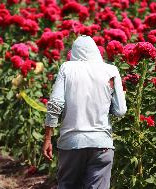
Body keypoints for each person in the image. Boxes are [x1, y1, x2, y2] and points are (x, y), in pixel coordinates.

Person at [43, 35, 127, 189]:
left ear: (74, 52)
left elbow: (55, 104)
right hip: (102, 144)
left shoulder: (67, 68)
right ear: (96, 51)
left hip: (71, 143)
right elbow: (121, 110)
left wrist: (48, 138)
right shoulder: (111, 70)